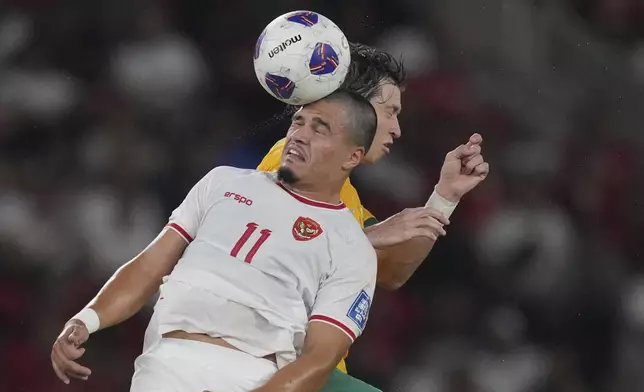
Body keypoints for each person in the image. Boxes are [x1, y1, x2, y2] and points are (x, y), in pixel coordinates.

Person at [50, 90, 445, 391]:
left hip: (253, 376)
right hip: (164, 365)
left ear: (352, 156)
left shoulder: (353, 248)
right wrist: (86, 319)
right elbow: (151, 263)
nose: (300, 135)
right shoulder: (222, 182)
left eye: (319, 129)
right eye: (299, 123)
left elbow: (320, 357)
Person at [257, 42, 490, 387]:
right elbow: (268, 252)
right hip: (273, 356)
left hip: (316, 368)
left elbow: (391, 271)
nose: (397, 129)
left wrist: (444, 197)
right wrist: (368, 236)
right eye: (390, 111)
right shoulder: (290, 157)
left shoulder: (344, 193)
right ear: (356, 109)